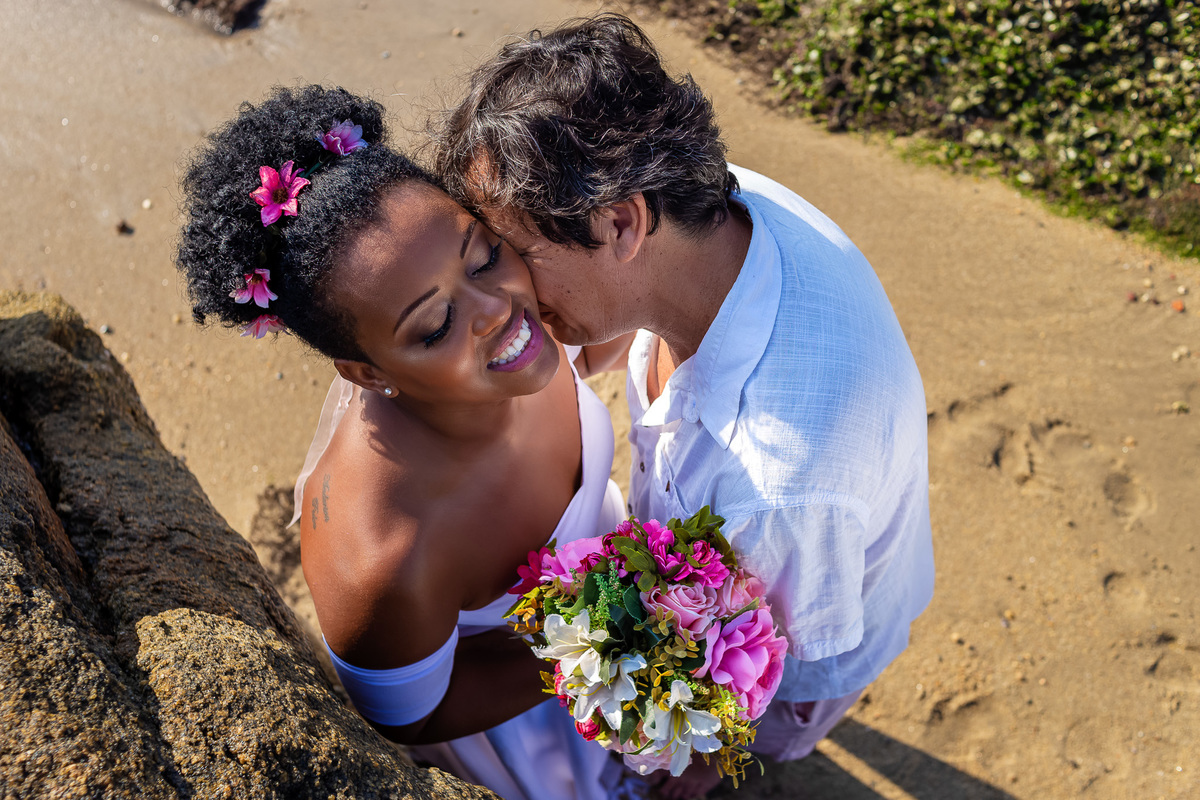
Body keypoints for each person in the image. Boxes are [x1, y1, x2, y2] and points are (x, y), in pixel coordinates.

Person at [436, 13, 935, 797]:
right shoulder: (709, 219)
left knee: (754, 733)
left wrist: (699, 761)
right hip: (809, 527)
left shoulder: (772, 488)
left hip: (797, 634)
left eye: (519, 257)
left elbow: (767, 654)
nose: (510, 296)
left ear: (620, 223)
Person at [174, 84, 636, 800]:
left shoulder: (539, 298)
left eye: (481, 257)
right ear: (366, 373)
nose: (499, 311)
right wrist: (610, 648)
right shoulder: (383, 561)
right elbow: (415, 718)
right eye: (433, 326)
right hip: (532, 728)